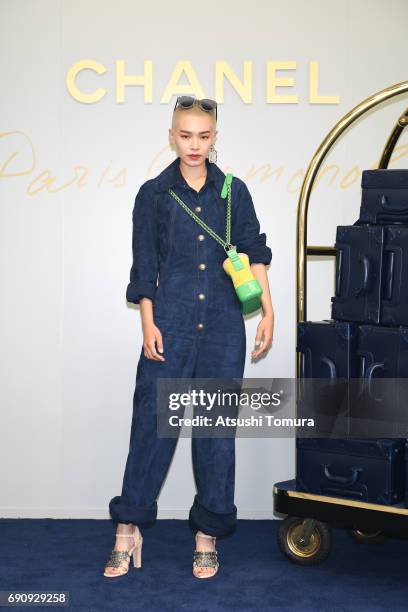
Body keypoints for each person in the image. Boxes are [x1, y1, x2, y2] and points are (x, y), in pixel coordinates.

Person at [104, 96, 274, 579]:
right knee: (152, 428)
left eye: (203, 135)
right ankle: (127, 530)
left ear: (215, 136)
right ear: (171, 134)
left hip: (223, 327)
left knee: (216, 435)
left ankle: (207, 535)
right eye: (185, 134)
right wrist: (148, 324)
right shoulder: (153, 194)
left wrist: (268, 310)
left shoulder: (234, 192)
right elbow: (146, 265)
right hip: (171, 324)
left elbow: (254, 249)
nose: (194, 145)